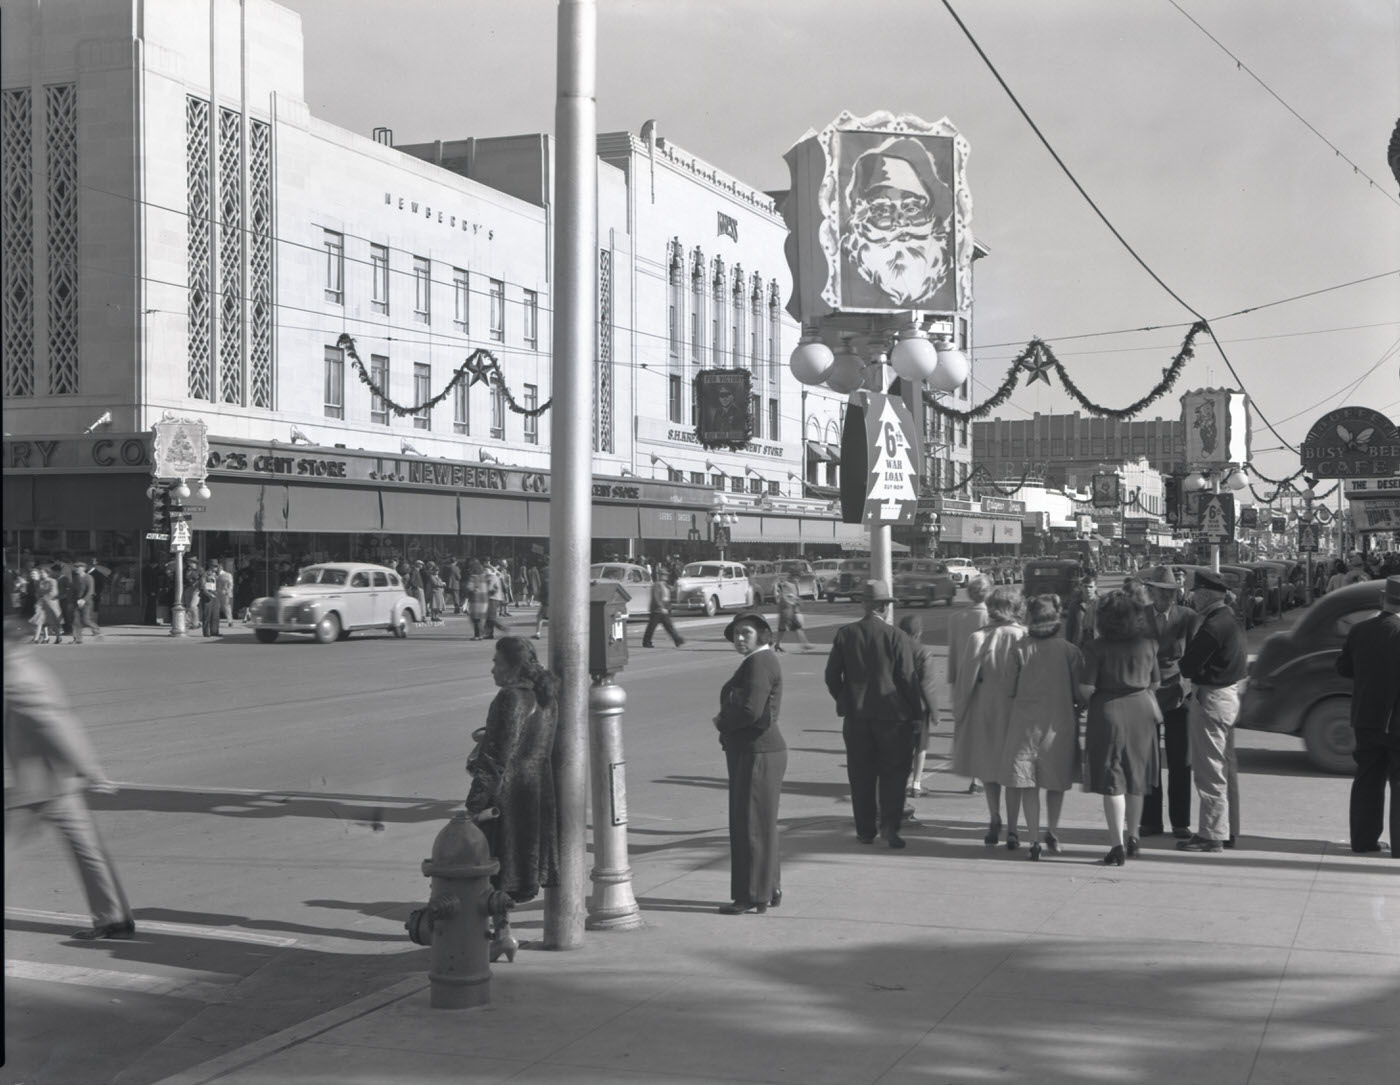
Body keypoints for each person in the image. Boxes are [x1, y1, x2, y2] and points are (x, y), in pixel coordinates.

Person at [4, 613, 135, 939]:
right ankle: (113, 918)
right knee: (88, 849)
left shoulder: (19, 677)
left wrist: (90, 770)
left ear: (13, 643)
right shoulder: (29, 670)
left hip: (37, 785)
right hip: (58, 782)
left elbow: (56, 724)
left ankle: (113, 917)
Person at [465, 636, 560, 961]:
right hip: (535, 793)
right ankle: (502, 937)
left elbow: (495, 758)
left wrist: (474, 805)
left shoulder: (509, 699)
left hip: (507, 798)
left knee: (489, 868)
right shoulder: (545, 696)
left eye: (497, 663)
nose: (492, 668)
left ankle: (497, 936)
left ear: (511, 667)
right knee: (508, 874)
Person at [824, 579, 922, 848]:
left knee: (861, 775)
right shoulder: (896, 637)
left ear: (865, 604)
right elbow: (907, 679)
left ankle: (865, 830)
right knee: (894, 774)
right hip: (893, 719)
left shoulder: (846, 634)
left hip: (857, 718)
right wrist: (917, 713)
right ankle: (890, 827)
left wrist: (845, 699)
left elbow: (832, 676)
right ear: (885, 606)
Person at [1080, 590, 1161, 866]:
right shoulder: (1149, 644)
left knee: (1112, 779)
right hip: (1141, 712)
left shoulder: (1095, 647)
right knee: (1136, 776)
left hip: (1108, 712)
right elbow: (1156, 682)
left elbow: (1086, 688)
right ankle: (1134, 836)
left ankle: (1116, 845)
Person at [1000, 594, 1083, 860]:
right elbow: (1079, 692)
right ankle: (1053, 831)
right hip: (1059, 725)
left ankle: (1033, 839)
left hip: (1025, 726)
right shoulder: (1069, 651)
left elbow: (1008, 688)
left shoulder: (1019, 649)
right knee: (1056, 784)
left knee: (1028, 785)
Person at [713, 613, 786, 914]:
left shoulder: (758, 663)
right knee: (761, 824)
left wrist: (721, 722)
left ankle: (752, 895)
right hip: (758, 751)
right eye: (735, 634)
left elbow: (750, 711)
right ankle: (770, 887)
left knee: (750, 825)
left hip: (756, 752)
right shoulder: (760, 661)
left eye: (746, 633)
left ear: (762, 635)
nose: (739, 638)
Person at [1177, 569, 1249, 853]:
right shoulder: (1230, 619)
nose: (1193, 598)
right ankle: (1227, 829)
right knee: (1225, 767)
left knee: (1210, 770)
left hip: (1211, 699)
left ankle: (1211, 834)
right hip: (1227, 697)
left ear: (1206, 595)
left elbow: (1188, 665)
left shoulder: (1213, 625)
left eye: (1195, 593)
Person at [952, 586, 1028, 848]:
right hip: (1016, 710)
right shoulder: (1024, 637)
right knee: (1014, 771)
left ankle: (995, 816)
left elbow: (965, 684)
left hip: (985, 708)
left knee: (989, 768)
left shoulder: (979, 638)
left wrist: (960, 714)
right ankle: (1014, 827)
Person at [1335, 575, 1400, 857]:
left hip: (1366, 717)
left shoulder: (1360, 631)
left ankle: (1363, 841)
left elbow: (1343, 668)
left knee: (1367, 779)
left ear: (1382, 599)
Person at [1137, 566, 1203, 840]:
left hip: (1179, 694)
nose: (1168, 597)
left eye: (1172, 592)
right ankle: (1150, 821)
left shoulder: (1187, 617)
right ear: (1151, 593)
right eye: (1162, 592)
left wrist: (1188, 685)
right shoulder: (1139, 618)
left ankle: (1180, 822)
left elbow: (1196, 654)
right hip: (1148, 694)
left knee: (1180, 760)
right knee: (1149, 761)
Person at [947, 574, 993, 795]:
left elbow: (952, 654)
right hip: (986, 684)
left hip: (960, 680)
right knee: (985, 732)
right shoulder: (991, 618)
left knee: (967, 729)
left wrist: (953, 684)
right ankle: (979, 778)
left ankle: (972, 772)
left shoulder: (957, 618)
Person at [897, 614, 940, 800]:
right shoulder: (923, 652)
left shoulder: (894, 650)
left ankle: (900, 782)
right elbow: (926, 685)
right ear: (919, 632)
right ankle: (916, 784)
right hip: (919, 707)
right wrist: (935, 711)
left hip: (897, 705)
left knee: (901, 746)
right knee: (920, 747)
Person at [640, 569, 685, 648]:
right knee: (652, 627)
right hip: (657, 610)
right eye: (664, 575)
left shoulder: (664, 584)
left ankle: (677, 640)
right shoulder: (657, 585)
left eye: (666, 575)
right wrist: (661, 607)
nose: (665, 576)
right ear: (660, 575)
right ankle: (646, 642)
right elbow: (656, 597)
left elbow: (672, 590)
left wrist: (676, 584)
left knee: (668, 626)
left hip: (664, 608)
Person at [773, 573, 810, 653]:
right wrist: (793, 602)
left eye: (799, 579)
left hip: (786, 609)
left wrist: (797, 600)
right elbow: (785, 596)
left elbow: (792, 596)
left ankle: (777, 645)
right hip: (787, 610)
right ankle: (805, 644)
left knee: (782, 629)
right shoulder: (788, 585)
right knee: (797, 627)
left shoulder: (793, 585)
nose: (798, 580)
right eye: (797, 578)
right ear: (793, 577)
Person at [70, 560, 101, 643]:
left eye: (78, 567)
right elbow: (73, 591)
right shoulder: (75, 578)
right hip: (76, 602)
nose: (76, 569)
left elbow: (91, 591)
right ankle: (78, 639)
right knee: (75, 621)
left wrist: (84, 600)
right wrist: (72, 600)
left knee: (85, 620)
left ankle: (95, 629)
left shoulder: (88, 577)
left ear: (83, 568)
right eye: (75, 567)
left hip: (87, 602)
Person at [465, 561, 489, 639]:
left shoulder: (473, 577)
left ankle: (477, 635)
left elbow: (469, 587)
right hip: (484, 600)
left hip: (476, 600)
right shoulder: (484, 577)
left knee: (475, 619)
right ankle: (481, 634)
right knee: (480, 619)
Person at [199, 561, 220, 637]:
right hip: (207, 596)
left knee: (215, 615)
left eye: (217, 566)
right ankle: (206, 632)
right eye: (214, 566)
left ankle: (214, 631)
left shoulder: (216, 575)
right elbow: (202, 587)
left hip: (215, 595)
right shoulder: (205, 575)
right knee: (207, 615)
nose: (216, 568)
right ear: (210, 566)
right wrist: (209, 594)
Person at [533, 564, 550, 640]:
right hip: (549, 602)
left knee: (540, 617)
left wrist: (539, 596)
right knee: (542, 617)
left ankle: (538, 633)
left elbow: (544, 592)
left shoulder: (545, 582)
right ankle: (538, 633)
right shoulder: (551, 580)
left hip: (546, 602)